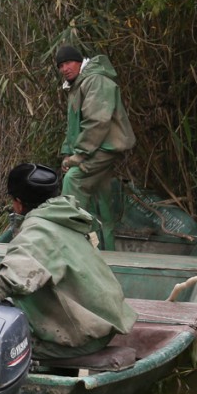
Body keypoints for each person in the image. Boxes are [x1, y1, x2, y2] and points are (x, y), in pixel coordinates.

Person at [0, 163, 137, 360]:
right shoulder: (66, 217)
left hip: (80, 340)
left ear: (18, 202)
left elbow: (17, 273)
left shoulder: (36, 232)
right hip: (103, 329)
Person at [55, 45, 136, 249]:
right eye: (60, 65)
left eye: (68, 63)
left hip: (103, 148)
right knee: (101, 201)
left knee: (73, 181)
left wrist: (78, 156)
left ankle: (72, 247)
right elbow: (74, 125)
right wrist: (67, 154)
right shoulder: (77, 84)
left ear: (80, 61)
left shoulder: (95, 80)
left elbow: (97, 122)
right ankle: (107, 251)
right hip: (98, 148)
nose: (65, 68)